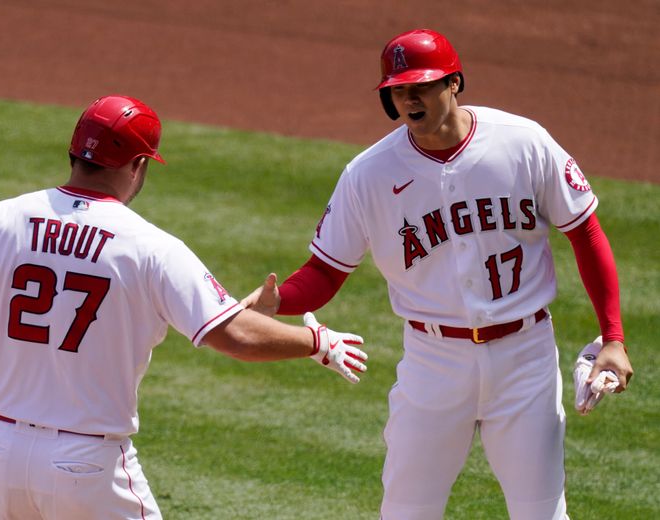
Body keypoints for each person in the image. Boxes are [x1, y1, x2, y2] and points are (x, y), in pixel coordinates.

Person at [0, 94, 368, 520]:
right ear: (138, 164)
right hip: (88, 469)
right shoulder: (151, 247)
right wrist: (317, 342)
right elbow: (235, 336)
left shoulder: (0, 220)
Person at [241, 29, 633, 520]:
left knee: (542, 514)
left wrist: (613, 336)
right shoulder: (369, 174)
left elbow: (586, 231)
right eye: (399, 90)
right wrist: (280, 301)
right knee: (406, 513)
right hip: (433, 361)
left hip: (524, 358)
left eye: (421, 86)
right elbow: (325, 270)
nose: (410, 98)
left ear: (454, 83)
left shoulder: (523, 142)